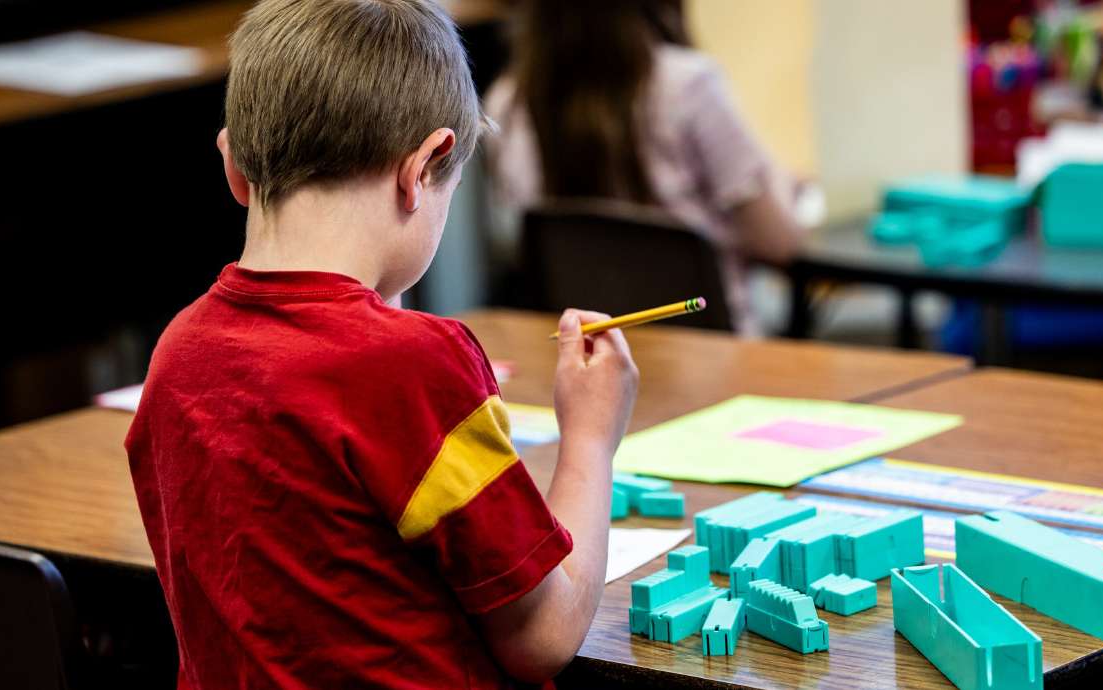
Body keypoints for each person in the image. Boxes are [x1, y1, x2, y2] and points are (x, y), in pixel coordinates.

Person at [124, 1, 639, 688]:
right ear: (426, 165)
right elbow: (543, 636)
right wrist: (591, 437)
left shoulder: (179, 351)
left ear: (233, 167)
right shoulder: (412, 366)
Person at [485, 0, 807, 335]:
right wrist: (779, 180)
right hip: (709, 349)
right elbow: (779, 242)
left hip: (582, 351)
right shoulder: (690, 85)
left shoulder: (505, 104)